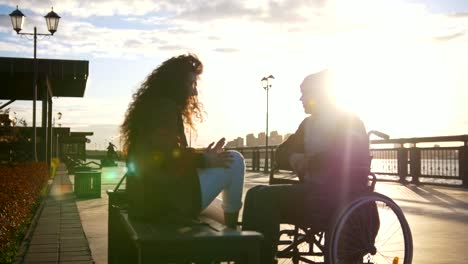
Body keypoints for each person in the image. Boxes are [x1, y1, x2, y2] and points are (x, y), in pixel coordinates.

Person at [242, 70, 370, 263]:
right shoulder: (308, 124)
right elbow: (281, 152)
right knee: (254, 194)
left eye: (305, 93)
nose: (301, 99)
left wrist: (310, 161)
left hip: (335, 197)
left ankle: (261, 259)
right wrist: (295, 158)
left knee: (265, 198)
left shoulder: (348, 121)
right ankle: (253, 258)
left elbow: (345, 155)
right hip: (312, 194)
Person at [120, 54, 245, 228]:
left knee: (217, 211)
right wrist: (204, 160)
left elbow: (163, 154)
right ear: (175, 84)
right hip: (163, 205)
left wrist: (202, 155)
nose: (194, 91)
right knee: (235, 160)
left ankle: (233, 232)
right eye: (191, 84)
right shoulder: (165, 109)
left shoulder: (153, 107)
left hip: (148, 201)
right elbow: (164, 157)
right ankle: (234, 238)